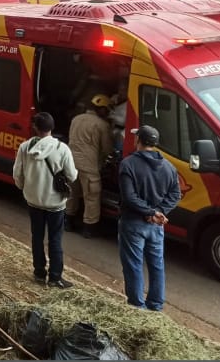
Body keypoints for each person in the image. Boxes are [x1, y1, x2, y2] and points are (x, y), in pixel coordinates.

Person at [118, 125, 182, 311]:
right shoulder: (169, 167)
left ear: (138, 141)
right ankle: (155, 305)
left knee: (133, 265)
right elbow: (176, 195)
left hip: (133, 223)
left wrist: (150, 213)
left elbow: (129, 197)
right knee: (156, 265)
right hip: (156, 226)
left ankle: (137, 306)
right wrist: (158, 212)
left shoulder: (128, 164)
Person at [13, 112, 78, 288]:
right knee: (55, 239)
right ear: (52, 127)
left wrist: (26, 189)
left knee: (37, 237)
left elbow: (17, 174)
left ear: (35, 127)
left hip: (33, 201)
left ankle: (39, 272)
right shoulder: (62, 149)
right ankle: (55, 277)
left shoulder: (25, 147)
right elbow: (72, 175)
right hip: (55, 204)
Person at [66, 94, 114, 238]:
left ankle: (67, 221)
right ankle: (89, 228)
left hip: (70, 162)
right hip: (89, 166)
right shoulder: (101, 125)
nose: (108, 113)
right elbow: (107, 149)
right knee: (91, 196)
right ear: (102, 109)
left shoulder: (76, 119)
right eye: (107, 110)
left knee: (71, 193)